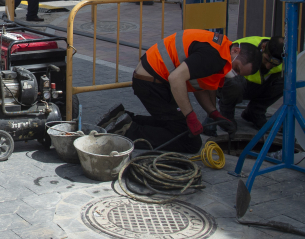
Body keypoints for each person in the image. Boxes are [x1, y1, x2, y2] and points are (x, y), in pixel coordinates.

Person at [98, 30, 262, 153]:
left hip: (152, 79)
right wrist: (190, 116)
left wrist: (214, 114)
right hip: (151, 83)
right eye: (237, 68)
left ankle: (122, 119)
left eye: (239, 73)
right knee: (190, 142)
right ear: (236, 51)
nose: (234, 73)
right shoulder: (215, 57)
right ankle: (126, 132)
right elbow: (176, 78)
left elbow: (198, 86)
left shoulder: (220, 47)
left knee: (177, 125)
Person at [211, 36, 284, 130]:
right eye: (266, 60)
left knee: (287, 82)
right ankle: (226, 116)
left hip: (253, 86)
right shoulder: (244, 48)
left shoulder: (289, 56)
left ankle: (255, 112)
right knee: (234, 81)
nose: (268, 66)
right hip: (226, 85)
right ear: (263, 47)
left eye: (274, 64)